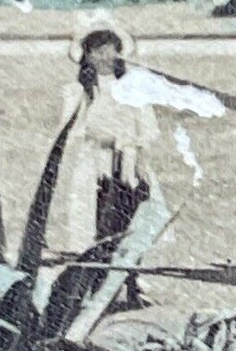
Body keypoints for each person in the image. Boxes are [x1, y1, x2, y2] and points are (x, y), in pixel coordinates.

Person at [56, 16, 166, 306]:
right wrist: (100, 136)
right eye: (98, 50)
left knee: (131, 219)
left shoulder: (132, 87)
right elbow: (72, 131)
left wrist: (138, 156)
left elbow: (146, 129)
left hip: (128, 163)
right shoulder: (81, 91)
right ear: (87, 55)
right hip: (97, 164)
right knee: (98, 224)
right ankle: (94, 284)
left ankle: (131, 282)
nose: (105, 56)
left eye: (110, 49)